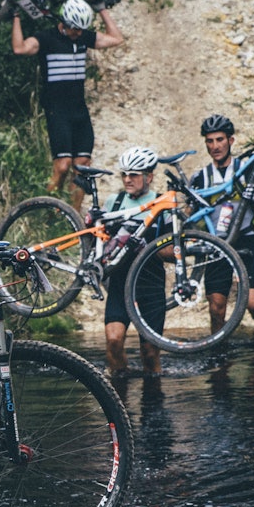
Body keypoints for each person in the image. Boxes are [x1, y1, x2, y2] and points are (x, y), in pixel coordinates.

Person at [12, 0, 125, 204]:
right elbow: (20, 48)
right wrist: (16, 15)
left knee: (82, 165)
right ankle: (48, 211)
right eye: (75, 29)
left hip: (79, 110)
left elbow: (116, 39)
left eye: (81, 30)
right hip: (57, 111)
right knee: (62, 166)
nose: (78, 33)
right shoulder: (46, 38)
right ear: (64, 23)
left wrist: (101, 9)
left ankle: (73, 217)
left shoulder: (82, 37)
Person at [189, 114, 254, 336]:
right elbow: (189, 214)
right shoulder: (200, 178)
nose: (215, 146)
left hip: (245, 238)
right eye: (210, 141)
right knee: (216, 308)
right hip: (217, 243)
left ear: (231, 141)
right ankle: (218, 352)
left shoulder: (249, 170)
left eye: (220, 140)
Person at [102, 146, 165, 380]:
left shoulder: (161, 203)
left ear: (149, 177)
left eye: (134, 175)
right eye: (124, 174)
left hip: (151, 283)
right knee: (113, 342)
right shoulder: (113, 202)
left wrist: (145, 245)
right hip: (120, 282)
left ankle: (154, 407)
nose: (127, 180)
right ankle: (119, 402)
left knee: (149, 353)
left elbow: (171, 251)